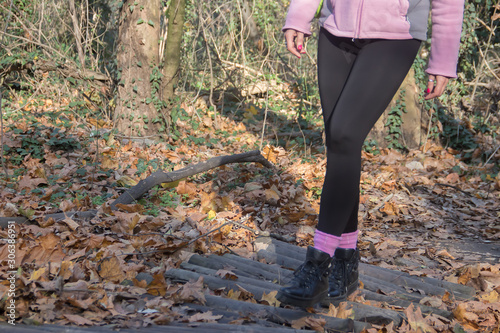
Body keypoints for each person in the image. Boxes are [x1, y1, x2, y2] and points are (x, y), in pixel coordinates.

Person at [276, 0, 465, 308]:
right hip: (336, 27)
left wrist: (443, 59)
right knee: (340, 145)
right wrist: (299, 15)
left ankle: (318, 264)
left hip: (395, 36)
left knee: (344, 134)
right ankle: (346, 262)